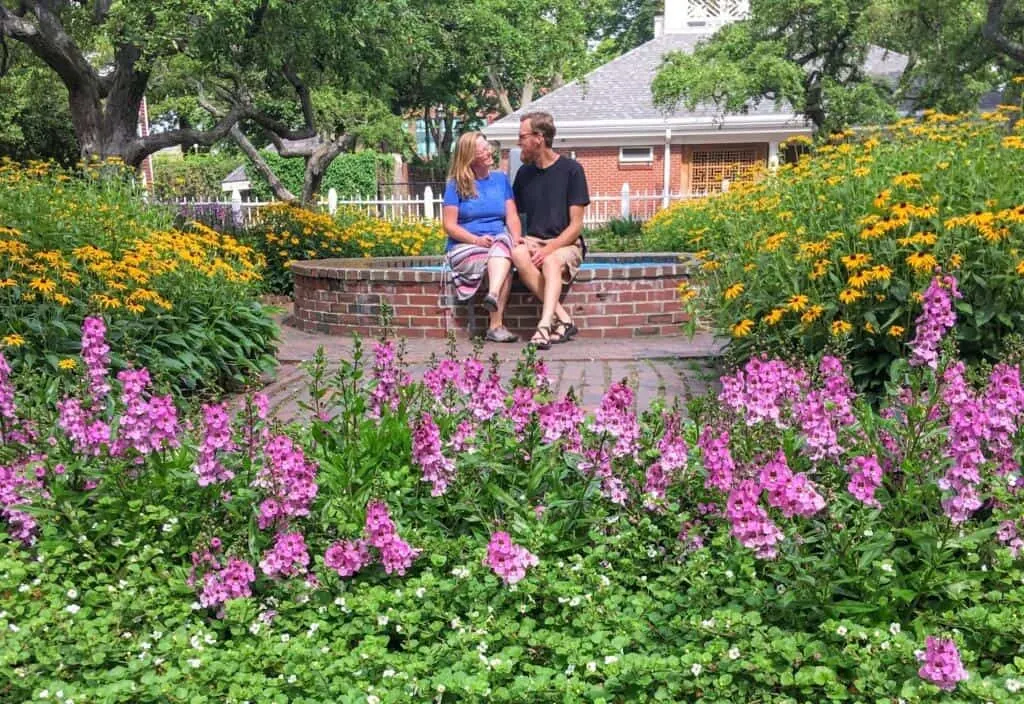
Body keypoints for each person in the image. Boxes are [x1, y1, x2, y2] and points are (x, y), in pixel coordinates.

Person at [511, 111, 589, 350]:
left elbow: (576, 225)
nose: (519, 142)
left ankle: (544, 325)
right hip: (535, 240)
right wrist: (523, 240)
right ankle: (564, 319)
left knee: (551, 261)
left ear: (539, 137)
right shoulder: (524, 174)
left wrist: (549, 249)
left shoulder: (571, 170)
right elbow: (516, 215)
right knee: (518, 254)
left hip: (566, 243)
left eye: (522, 136)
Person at [442, 132, 523, 342]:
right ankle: (496, 326)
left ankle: (492, 296)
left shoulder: (500, 180)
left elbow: (512, 216)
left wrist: (517, 238)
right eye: (483, 150)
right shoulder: (455, 184)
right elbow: (449, 226)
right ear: (470, 156)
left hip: (498, 243)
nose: (490, 152)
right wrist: (476, 240)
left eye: (489, 147)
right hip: (465, 245)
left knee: (504, 244)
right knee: (503, 260)